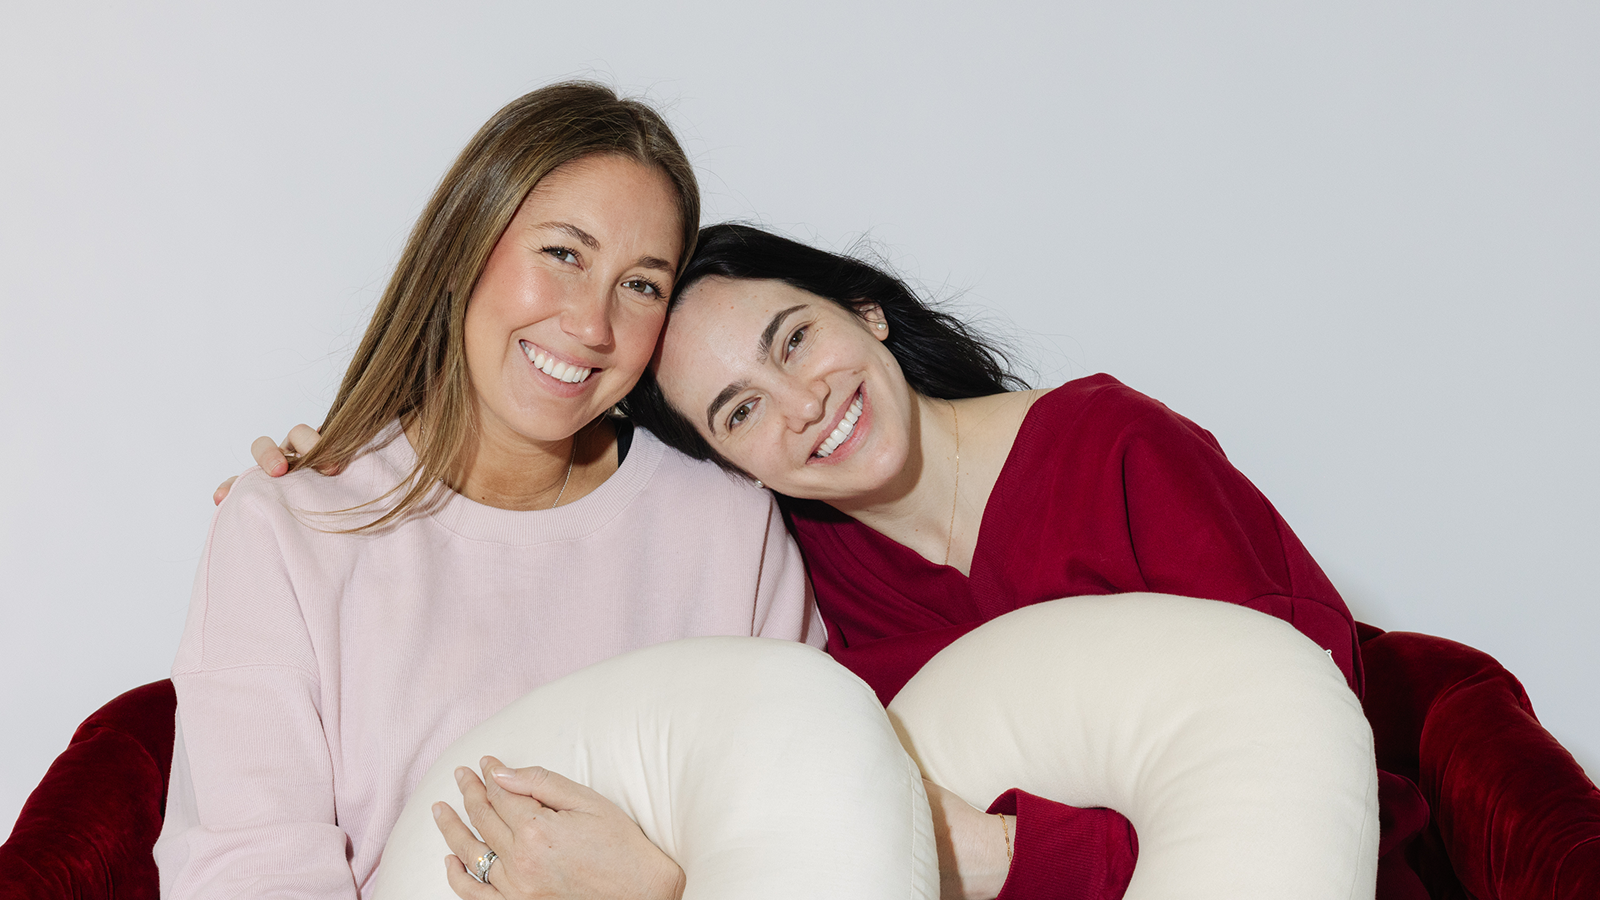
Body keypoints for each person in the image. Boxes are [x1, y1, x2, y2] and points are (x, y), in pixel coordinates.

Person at [249, 222, 1382, 900]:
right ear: (732, 465)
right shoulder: (796, 582)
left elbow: (1293, 748)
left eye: (797, 340)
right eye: (740, 411)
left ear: (867, 311)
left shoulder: (1109, 448)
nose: (803, 407)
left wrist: (995, 856)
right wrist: (358, 467)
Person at [160, 84, 939, 899]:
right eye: (564, 254)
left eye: (641, 285)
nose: (592, 326)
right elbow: (252, 874)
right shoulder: (288, 529)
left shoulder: (725, 521)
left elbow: (813, 824)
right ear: (467, 244)